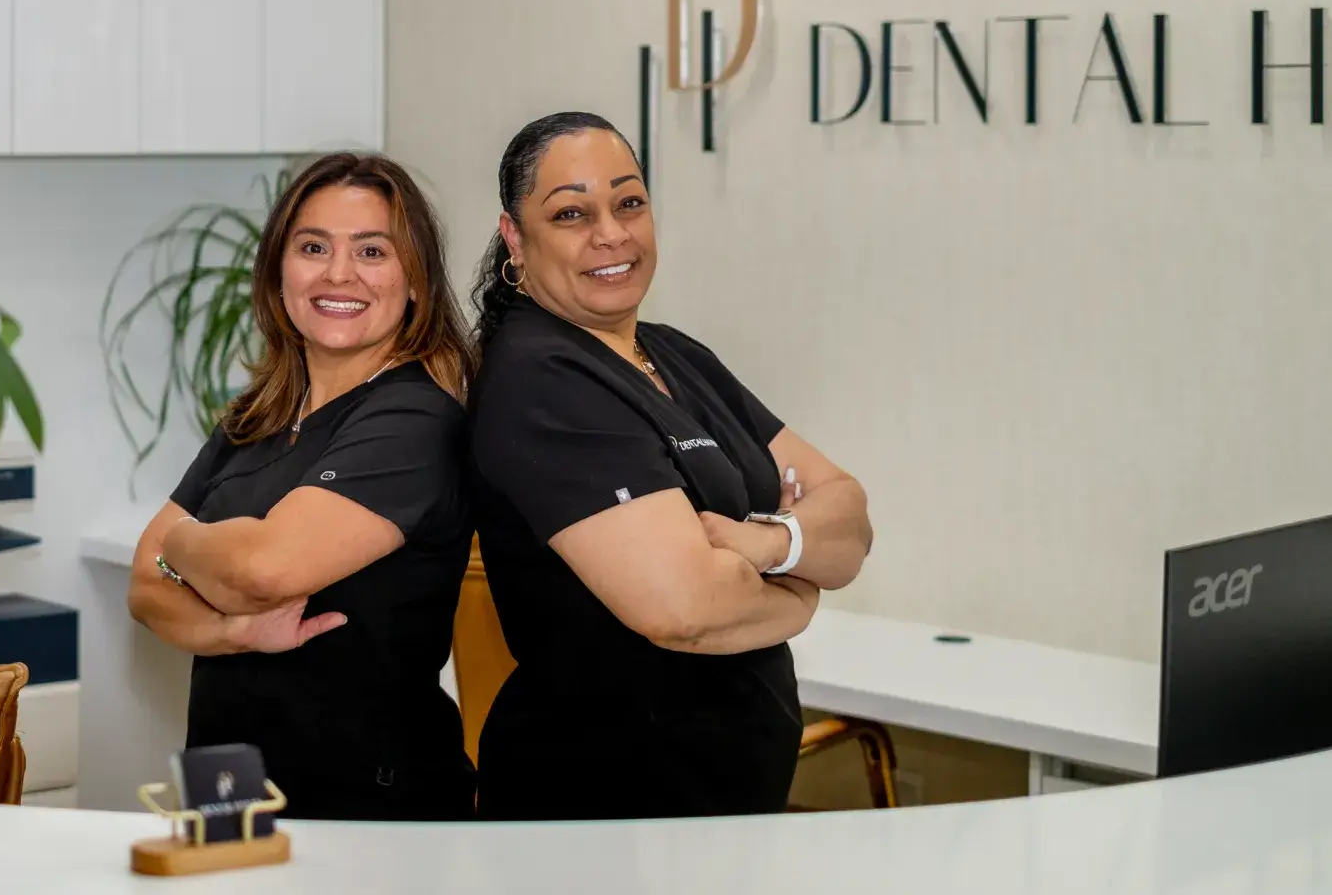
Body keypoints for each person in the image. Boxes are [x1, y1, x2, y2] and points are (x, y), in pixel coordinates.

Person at [466, 112, 872, 820]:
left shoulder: (672, 354)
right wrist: (800, 596)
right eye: (571, 213)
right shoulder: (541, 379)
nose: (611, 233)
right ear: (514, 238)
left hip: (722, 800)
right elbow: (683, 608)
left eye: (630, 202)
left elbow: (849, 512)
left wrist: (768, 544)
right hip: (605, 814)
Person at [127, 152, 476, 821]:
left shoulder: (414, 419)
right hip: (233, 792)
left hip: (367, 810)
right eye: (313, 247)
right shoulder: (258, 415)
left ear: (415, 283)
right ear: (278, 273)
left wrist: (182, 541)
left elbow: (263, 569)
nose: (338, 274)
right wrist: (236, 633)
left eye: (372, 251)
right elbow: (144, 589)